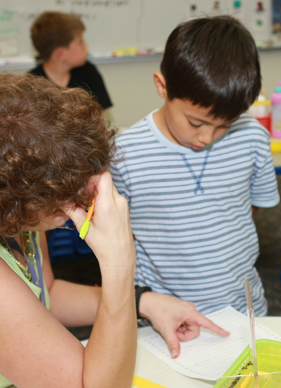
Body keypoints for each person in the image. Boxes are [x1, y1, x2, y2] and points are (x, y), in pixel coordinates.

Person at [0, 73, 229, 388]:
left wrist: (141, 302)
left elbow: (46, 293)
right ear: (18, 198)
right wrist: (119, 263)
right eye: (66, 195)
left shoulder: (21, 218)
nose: (85, 198)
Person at [111, 16, 280, 319]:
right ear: (162, 86)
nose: (206, 138)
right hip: (161, 316)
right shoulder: (125, 153)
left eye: (224, 126)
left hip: (242, 308)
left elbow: (249, 207)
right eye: (196, 122)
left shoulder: (252, 137)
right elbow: (117, 235)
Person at [29, 11, 112, 110]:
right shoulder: (30, 85)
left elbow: (99, 117)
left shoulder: (89, 72)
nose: (86, 46)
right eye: (80, 42)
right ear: (61, 54)